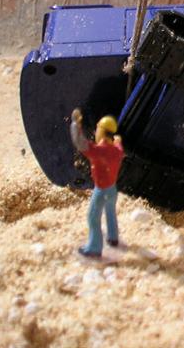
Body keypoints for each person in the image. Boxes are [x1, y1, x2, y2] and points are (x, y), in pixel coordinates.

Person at [71, 109, 124, 258]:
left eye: (97, 129)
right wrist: (118, 141)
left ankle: (94, 247)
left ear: (102, 131)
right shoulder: (117, 150)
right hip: (112, 189)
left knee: (93, 217)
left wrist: (75, 124)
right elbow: (119, 144)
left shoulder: (99, 151)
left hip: (102, 190)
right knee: (110, 212)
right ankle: (113, 237)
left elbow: (80, 143)